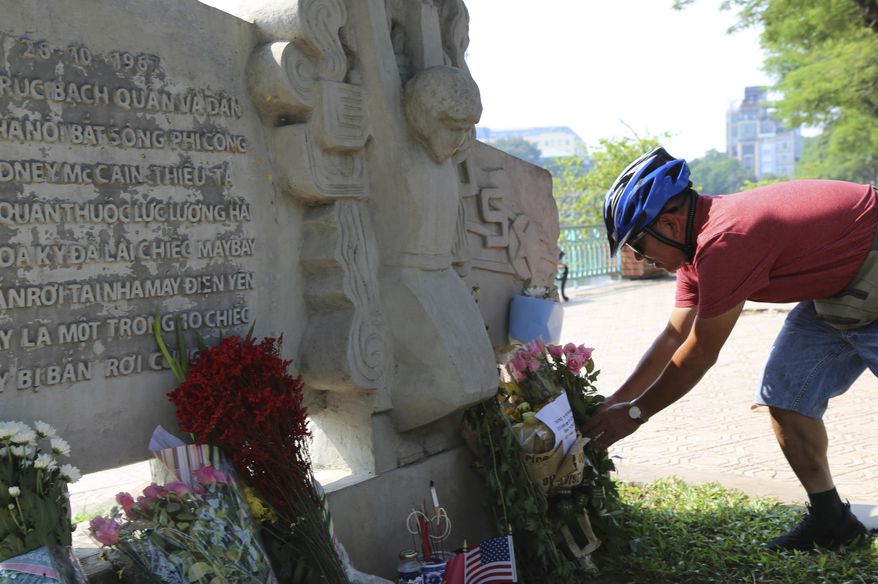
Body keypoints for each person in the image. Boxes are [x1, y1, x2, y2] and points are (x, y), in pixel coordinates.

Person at [581, 146, 875, 551]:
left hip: (869, 260)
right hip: (837, 288)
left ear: (668, 223)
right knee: (786, 398)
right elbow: (673, 336)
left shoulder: (724, 241)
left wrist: (635, 414)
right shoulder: (693, 256)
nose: (639, 259)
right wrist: (615, 401)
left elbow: (700, 352)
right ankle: (832, 523)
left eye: (637, 244)